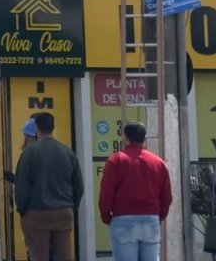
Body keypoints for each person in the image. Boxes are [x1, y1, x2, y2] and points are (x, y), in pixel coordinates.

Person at [14, 112, 83, 261]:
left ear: (37, 128)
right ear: (53, 127)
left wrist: (23, 210)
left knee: (38, 256)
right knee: (64, 255)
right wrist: (71, 207)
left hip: (36, 213)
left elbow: (22, 186)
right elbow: (78, 185)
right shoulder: (68, 152)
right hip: (63, 212)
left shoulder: (28, 153)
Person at [99, 121, 171, 261]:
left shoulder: (115, 161)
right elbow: (166, 196)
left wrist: (106, 217)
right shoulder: (159, 163)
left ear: (125, 137)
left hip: (123, 220)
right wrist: (159, 216)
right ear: (144, 138)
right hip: (150, 219)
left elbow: (106, 194)